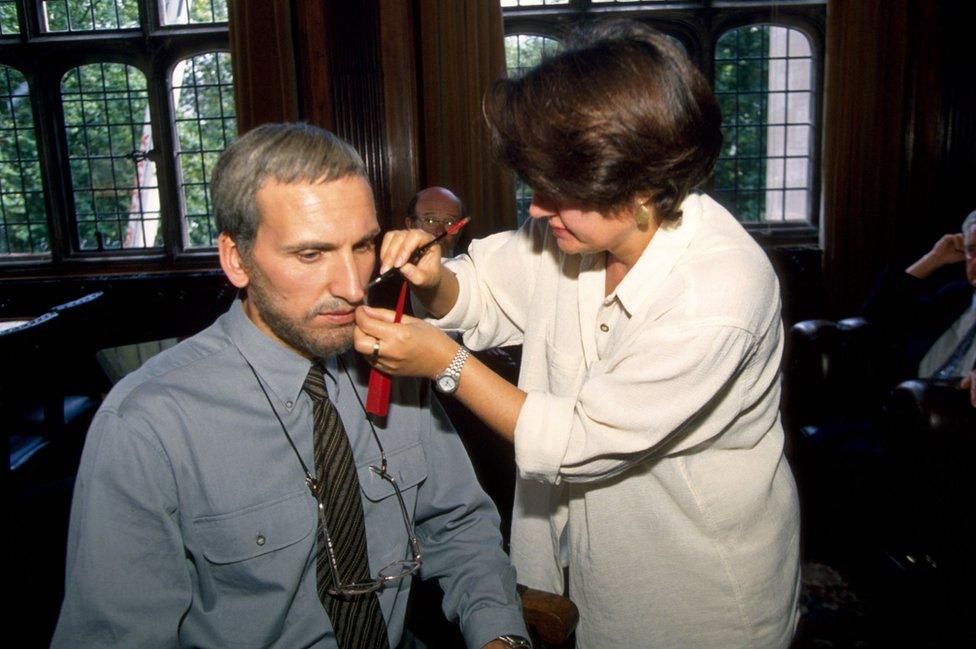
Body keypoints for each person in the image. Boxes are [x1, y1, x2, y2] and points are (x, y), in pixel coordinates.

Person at [355, 21, 800, 649]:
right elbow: (483, 290)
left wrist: (444, 362)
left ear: (638, 181)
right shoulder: (576, 227)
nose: (536, 208)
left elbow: (582, 439)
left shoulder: (716, 291)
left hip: (696, 594)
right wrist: (434, 283)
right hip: (581, 563)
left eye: (559, 190)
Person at [51, 123, 529, 649]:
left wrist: (498, 635)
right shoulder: (149, 425)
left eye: (364, 246)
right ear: (237, 259)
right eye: (310, 255)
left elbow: (460, 528)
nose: (352, 288)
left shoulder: (392, 363)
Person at [864, 210, 976, 406]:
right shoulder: (955, 296)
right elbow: (875, 316)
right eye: (973, 250)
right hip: (898, 411)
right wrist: (934, 258)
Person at [405, 186, 467, 256]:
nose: (440, 232)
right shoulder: (394, 264)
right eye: (430, 221)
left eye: (449, 223)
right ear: (410, 225)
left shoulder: (470, 265)